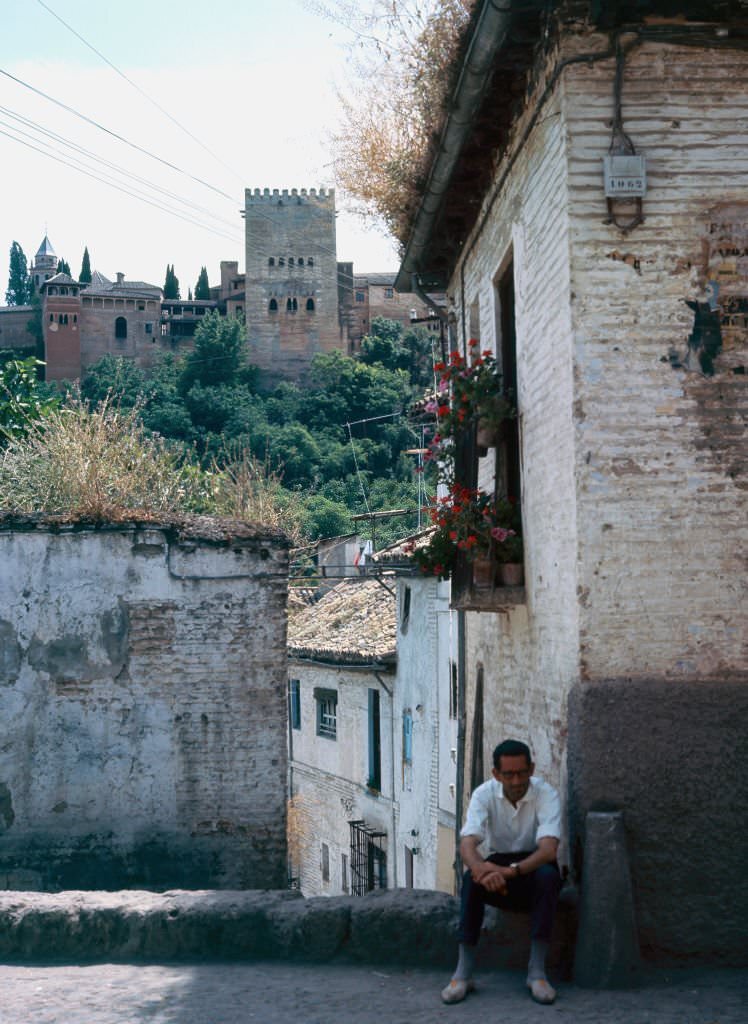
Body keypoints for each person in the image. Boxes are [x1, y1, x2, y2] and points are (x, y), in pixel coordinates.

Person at [441, 739, 562, 1006]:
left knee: (549, 877)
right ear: (496, 774)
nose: (517, 780)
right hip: (499, 865)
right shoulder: (484, 794)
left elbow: (548, 850)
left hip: (532, 867)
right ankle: (463, 974)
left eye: (522, 772)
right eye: (509, 774)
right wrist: (481, 869)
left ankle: (537, 973)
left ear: (531, 769)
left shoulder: (546, 794)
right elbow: (468, 843)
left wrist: (507, 873)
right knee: (471, 882)